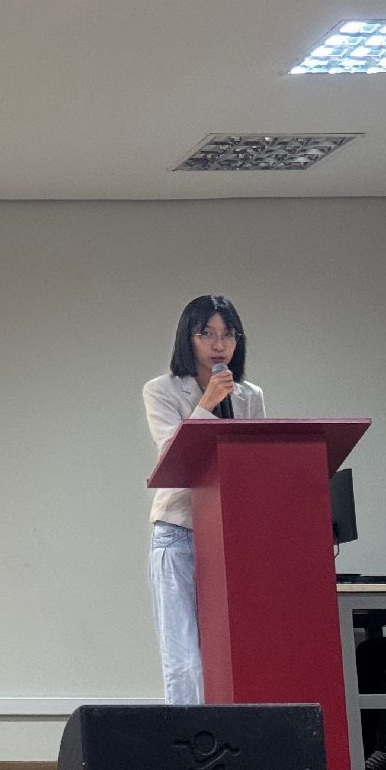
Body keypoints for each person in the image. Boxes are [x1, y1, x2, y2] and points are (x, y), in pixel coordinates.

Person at [142, 295, 265, 704]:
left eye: (228, 334)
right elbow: (172, 456)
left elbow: (254, 462)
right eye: (206, 334)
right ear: (188, 338)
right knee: (184, 660)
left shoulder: (250, 395)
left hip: (231, 536)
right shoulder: (160, 391)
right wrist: (207, 402)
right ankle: (187, 743)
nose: (219, 344)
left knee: (233, 651)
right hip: (178, 531)